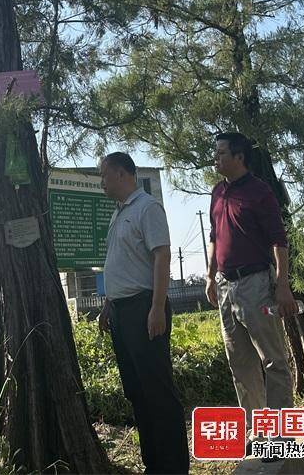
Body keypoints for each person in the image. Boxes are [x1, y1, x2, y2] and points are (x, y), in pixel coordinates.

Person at [98, 152, 189, 475]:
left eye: (104, 175)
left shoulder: (147, 208)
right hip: (121, 311)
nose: (102, 182)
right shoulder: (118, 213)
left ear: (122, 174)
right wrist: (108, 304)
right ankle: (154, 464)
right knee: (137, 391)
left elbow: (162, 256)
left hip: (144, 307)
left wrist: (157, 307)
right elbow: (119, 263)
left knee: (158, 390)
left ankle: (174, 467)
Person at [205, 131, 297, 433]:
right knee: (240, 364)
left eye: (221, 153)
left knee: (273, 362)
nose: (216, 158)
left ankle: (281, 434)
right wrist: (210, 276)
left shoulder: (259, 191)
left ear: (239, 157)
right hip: (225, 286)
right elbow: (214, 238)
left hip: (256, 284)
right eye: (216, 153)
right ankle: (258, 431)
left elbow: (278, 241)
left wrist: (282, 285)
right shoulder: (217, 192)